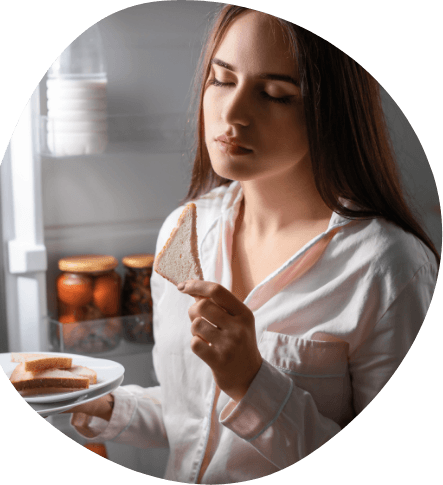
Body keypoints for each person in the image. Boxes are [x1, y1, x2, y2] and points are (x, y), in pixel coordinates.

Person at [66, 5, 440, 484]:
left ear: (332, 112)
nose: (233, 112)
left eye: (274, 94)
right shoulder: (184, 229)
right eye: (222, 80)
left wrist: (251, 383)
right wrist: (112, 407)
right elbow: (193, 414)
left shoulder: (390, 267)